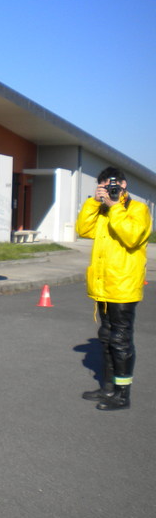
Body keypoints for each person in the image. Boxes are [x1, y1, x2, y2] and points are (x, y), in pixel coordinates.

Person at [76, 167, 151, 411]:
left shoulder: (138, 209)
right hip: (103, 284)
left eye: (114, 184)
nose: (110, 189)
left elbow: (132, 237)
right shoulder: (102, 210)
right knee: (106, 337)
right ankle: (108, 387)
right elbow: (83, 230)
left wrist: (116, 206)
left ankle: (122, 394)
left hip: (123, 285)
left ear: (124, 185)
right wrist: (94, 202)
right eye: (105, 185)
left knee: (120, 340)